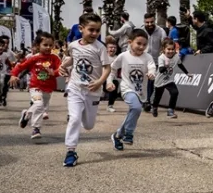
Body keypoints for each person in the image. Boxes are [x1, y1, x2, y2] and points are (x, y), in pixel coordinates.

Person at [59, 12, 112, 167]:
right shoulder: (73, 45)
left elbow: (107, 68)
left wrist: (99, 82)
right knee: (74, 118)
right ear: (81, 28)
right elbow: (71, 60)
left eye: (97, 30)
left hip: (93, 91)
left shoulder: (100, 48)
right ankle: (70, 151)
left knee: (89, 125)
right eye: (91, 30)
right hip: (75, 88)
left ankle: (78, 117)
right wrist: (62, 67)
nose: (95, 33)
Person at [107, 29, 156, 151]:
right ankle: (128, 134)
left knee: (133, 113)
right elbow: (112, 69)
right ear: (130, 42)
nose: (141, 47)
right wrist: (109, 81)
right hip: (127, 88)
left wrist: (151, 73)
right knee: (136, 108)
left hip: (141, 91)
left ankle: (117, 135)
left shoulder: (147, 56)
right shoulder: (123, 56)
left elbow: (152, 67)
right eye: (138, 43)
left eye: (144, 44)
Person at [9, 32, 62, 140]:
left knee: (41, 107)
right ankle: (36, 129)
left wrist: (54, 73)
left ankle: (26, 114)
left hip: (48, 88)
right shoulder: (34, 58)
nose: (48, 47)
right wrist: (13, 75)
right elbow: (20, 66)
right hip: (35, 87)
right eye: (45, 45)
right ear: (38, 46)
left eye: (50, 45)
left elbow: (60, 70)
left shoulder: (54, 58)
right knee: (38, 104)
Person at [153, 38, 192, 118]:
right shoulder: (162, 58)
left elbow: (180, 65)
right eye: (168, 49)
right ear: (164, 49)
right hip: (160, 81)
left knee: (175, 92)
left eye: (172, 49)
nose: (170, 51)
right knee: (158, 97)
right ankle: (154, 107)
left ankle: (170, 110)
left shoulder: (176, 57)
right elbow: (160, 70)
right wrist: (166, 66)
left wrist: (187, 73)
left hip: (169, 80)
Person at [142, 12, 167, 108]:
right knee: (144, 82)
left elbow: (165, 44)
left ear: (155, 20)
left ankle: (147, 101)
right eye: (147, 22)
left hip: (156, 61)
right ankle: (144, 100)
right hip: (143, 60)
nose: (149, 24)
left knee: (151, 82)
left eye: (151, 22)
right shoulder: (141, 31)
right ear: (144, 22)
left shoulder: (161, 31)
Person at [104, 36, 120, 113]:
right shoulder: (103, 57)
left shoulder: (118, 58)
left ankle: (110, 105)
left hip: (113, 79)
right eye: (110, 47)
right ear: (106, 49)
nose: (113, 49)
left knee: (115, 84)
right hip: (102, 78)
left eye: (114, 48)